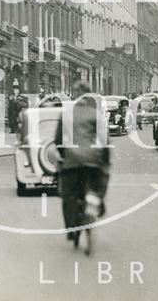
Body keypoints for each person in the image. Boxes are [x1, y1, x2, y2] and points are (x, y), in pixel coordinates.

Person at [54, 80, 110, 256]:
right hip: (93, 161)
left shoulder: (66, 114)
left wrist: (64, 156)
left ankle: (72, 228)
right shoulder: (96, 114)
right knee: (96, 188)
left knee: (68, 194)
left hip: (72, 162)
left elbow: (58, 140)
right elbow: (104, 140)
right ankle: (96, 204)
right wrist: (104, 161)